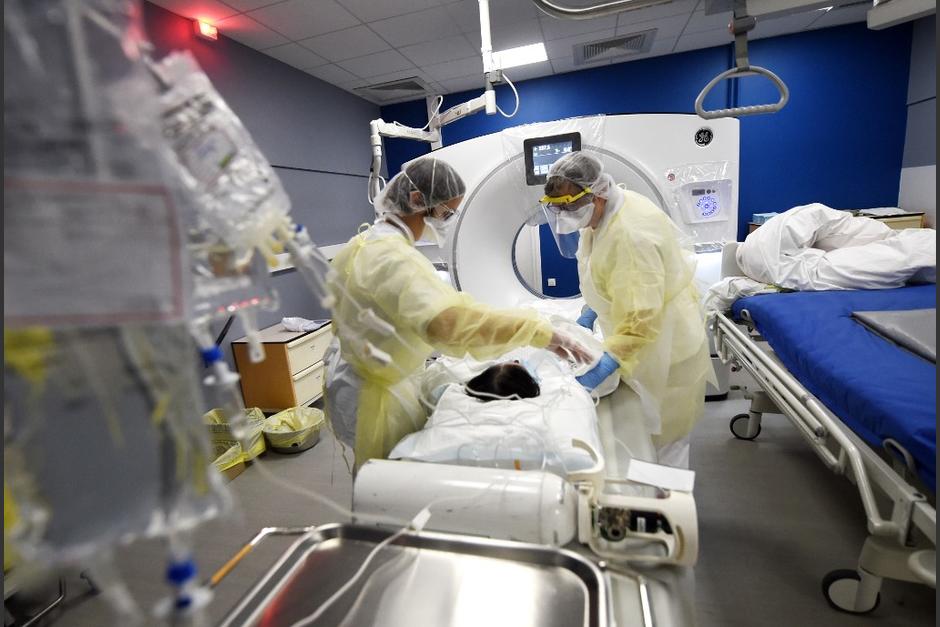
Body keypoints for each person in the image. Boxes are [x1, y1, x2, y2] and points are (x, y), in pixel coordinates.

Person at [324, 156, 591, 469]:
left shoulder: (363, 242)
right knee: (385, 484)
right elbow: (450, 325)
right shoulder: (394, 260)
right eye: (446, 212)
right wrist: (537, 332)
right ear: (416, 200)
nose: (447, 220)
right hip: (376, 397)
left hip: (351, 375)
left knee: (374, 479)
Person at [540, 151, 715, 468]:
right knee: (648, 431)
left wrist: (603, 367)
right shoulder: (603, 214)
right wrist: (591, 312)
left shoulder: (632, 235)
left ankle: (669, 498)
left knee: (666, 439)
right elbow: (605, 274)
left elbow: (640, 321)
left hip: (666, 345)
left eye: (568, 206)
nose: (564, 215)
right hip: (641, 337)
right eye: (557, 207)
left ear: (595, 195)